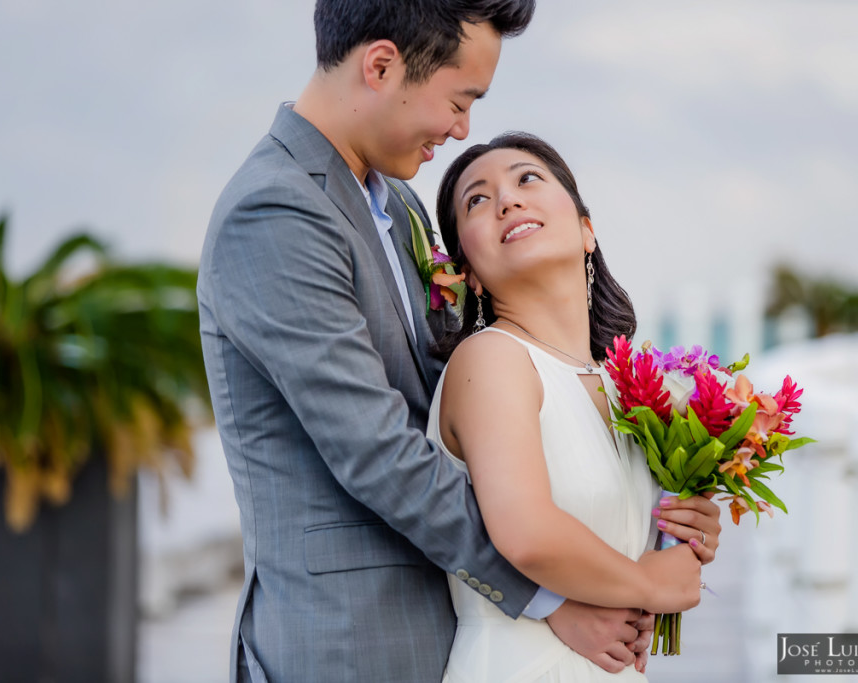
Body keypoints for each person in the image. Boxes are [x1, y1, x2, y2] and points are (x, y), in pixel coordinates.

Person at [199, 2, 673, 681]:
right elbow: (378, 450)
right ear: (381, 65)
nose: (463, 130)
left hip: (451, 634)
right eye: (459, 100)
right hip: (351, 642)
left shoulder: (398, 204)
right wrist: (547, 596)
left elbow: (461, 418)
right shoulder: (275, 211)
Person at [429, 131, 723, 680]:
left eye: (527, 179)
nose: (507, 200)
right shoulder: (491, 359)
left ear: (587, 230)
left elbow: (633, 531)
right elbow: (527, 532)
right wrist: (651, 583)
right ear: (468, 272)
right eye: (477, 199)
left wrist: (684, 530)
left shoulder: (626, 385)